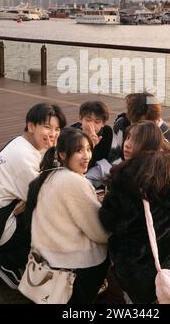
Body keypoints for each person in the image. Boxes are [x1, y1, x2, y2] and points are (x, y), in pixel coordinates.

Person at [0, 102, 66, 289]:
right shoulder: (23, 158)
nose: (53, 134)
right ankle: (7, 264)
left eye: (57, 129)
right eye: (47, 127)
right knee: (50, 226)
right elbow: (47, 201)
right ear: (31, 126)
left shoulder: (21, 142)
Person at [99, 121, 170, 303]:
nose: (127, 143)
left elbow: (109, 221)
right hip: (168, 261)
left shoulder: (128, 178)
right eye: (128, 137)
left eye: (135, 140)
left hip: (136, 266)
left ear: (148, 144)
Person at [24, 128, 109, 304]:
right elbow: (99, 233)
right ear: (62, 154)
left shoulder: (49, 174)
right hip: (70, 266)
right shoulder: (74, 181)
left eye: (88, 149)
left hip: (44, 256)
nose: (86, 156)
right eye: (79, 150)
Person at [108, 92, 170, 163]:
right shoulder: (122, 124)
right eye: (137, 122)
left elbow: (167, 163)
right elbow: (113, 155)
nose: (142, 127)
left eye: (147, 122)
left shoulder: (166, 131)